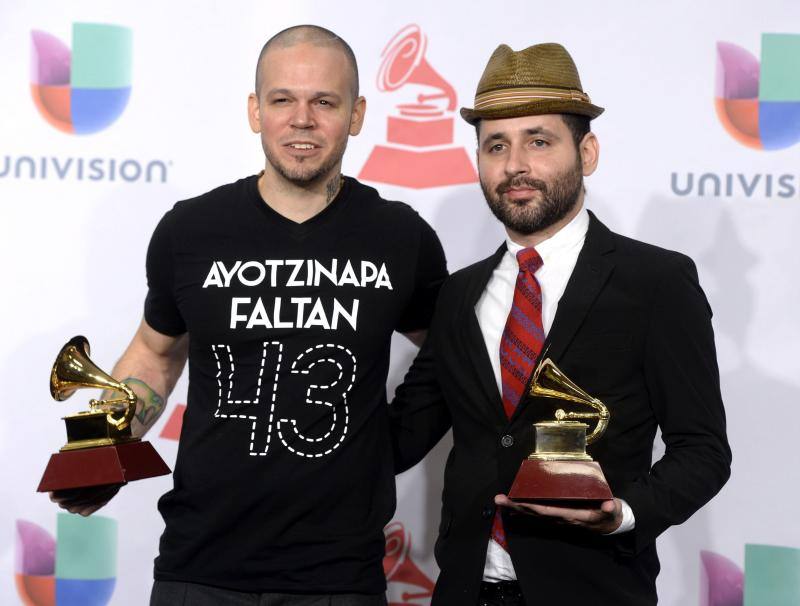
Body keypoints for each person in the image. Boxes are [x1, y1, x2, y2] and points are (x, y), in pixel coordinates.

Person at [52, 24, 447, 605]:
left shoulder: (400, 236)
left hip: (338, 576)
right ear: (255, 111)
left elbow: (450, 352)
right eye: (282, 99)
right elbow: (156, 354)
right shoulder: (191, 230)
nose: (302, 120)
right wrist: (105, 450)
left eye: (324, 102)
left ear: (357, 114)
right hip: (199, 567)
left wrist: (389, 445)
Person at [389, 42, 731, 605]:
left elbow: (703, 451)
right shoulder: (458, 294)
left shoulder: (656, 282)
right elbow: (403, 435)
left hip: (596, 590)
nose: (515, 165)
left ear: (587, 152)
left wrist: (623, 513)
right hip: (463, 592)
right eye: (496, 145)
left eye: (539, 141)